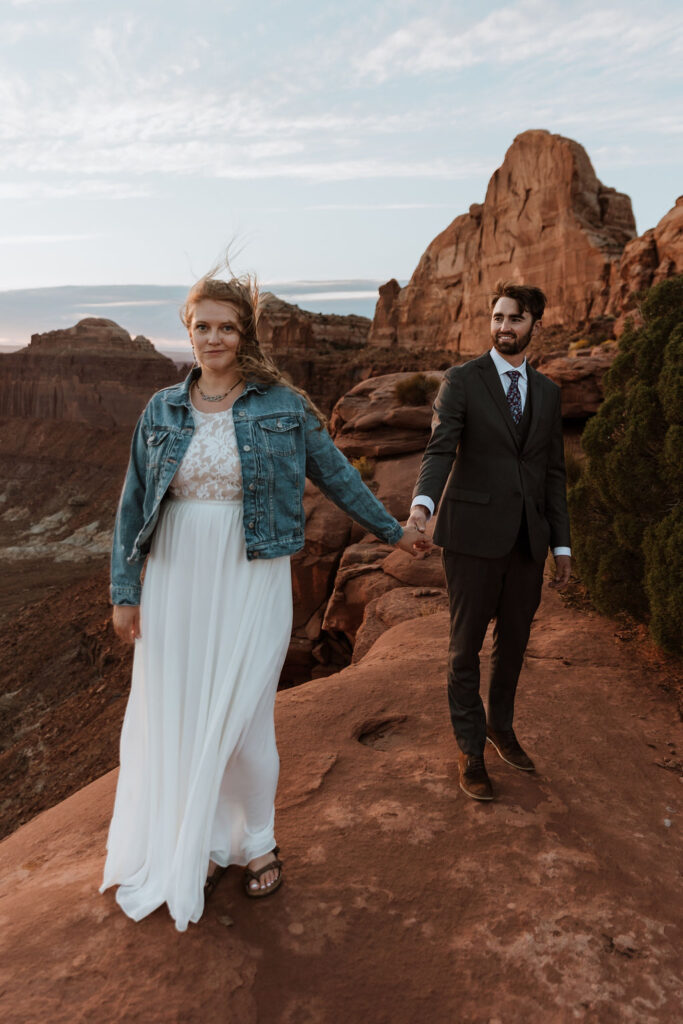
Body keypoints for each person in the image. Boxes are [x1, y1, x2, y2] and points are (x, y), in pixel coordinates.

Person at [101, 270, 429, 931]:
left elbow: (336, 475)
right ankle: (198, 841)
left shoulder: (280, 405)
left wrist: (395, 530)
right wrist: (125, 593)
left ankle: (258, 842)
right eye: (203, 326)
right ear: (187, 332)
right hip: (174, 576)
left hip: (250, 574)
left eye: (227, 326)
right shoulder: (161, 408)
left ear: (243, 335)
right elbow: (133, 504)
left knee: (246, 723)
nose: (214, 337)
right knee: (180, 713)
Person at [407, 281, 571, 801]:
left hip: (528, 540)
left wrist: (561, 545)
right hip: (472, 537)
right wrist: (422, 506)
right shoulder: (462, 381)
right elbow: (440, 450)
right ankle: (471, 749)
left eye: (515, 319)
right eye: (497, 317)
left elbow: (552, 473)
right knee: (464, 651)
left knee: (515, 645)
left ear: (533, 326)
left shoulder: (547, 392)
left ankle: (501, 728)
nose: (504, 327)